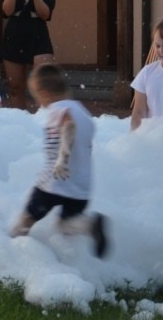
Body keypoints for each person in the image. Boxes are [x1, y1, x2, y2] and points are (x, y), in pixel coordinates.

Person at [9, 64, 108, 258]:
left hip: (54, 182)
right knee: (66, 224)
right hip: (81, 185)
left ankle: (11, 255)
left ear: (44, 93)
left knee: (25, 220)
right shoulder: (82, 111)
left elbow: (68, 127)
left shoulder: (58, 109)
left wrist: (62, 159)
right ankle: (90, 225)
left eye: (36, 97)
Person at [0, 0, 55, 109]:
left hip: (38, 31)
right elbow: (6, 11)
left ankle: (42, 120)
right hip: (15, 31)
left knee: (43, 84)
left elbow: (45, 14)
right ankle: (20, 120)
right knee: (16, 87)